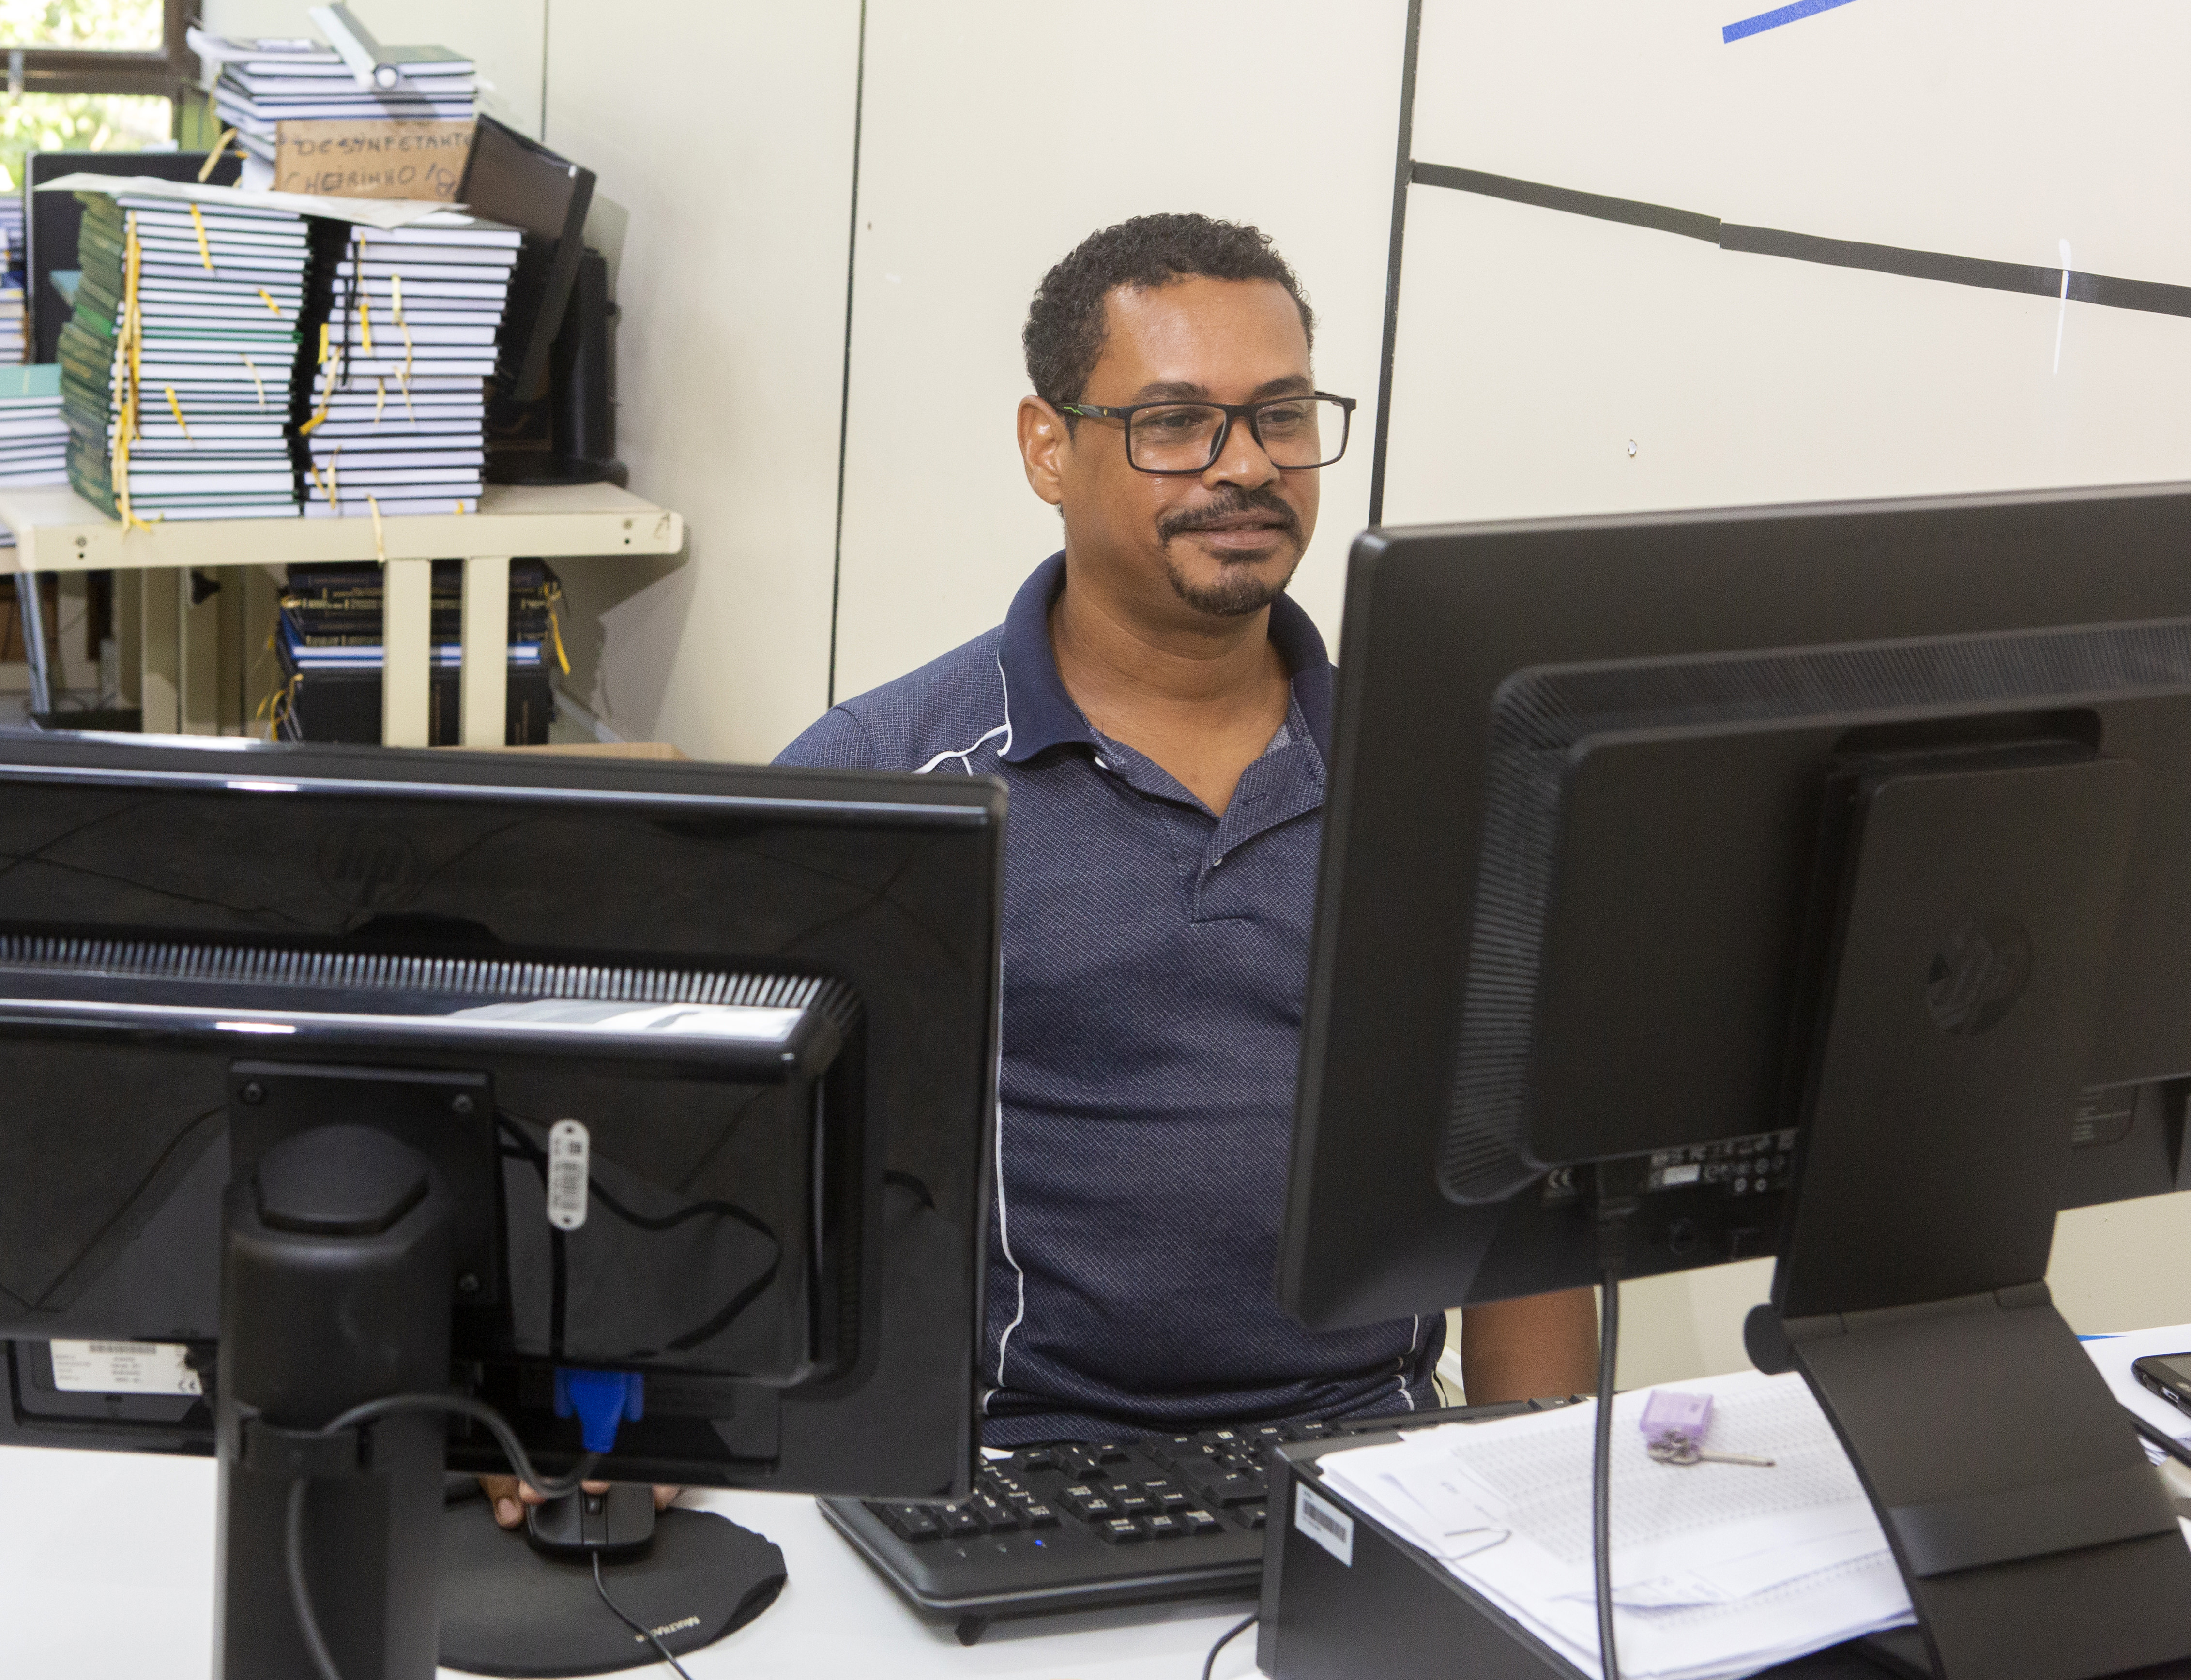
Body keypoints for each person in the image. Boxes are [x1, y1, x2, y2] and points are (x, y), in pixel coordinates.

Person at [486, 212, 1593, 1521]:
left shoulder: (1440, 781)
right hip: (1011, 1469)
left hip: (1368, 1466)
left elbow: (1516, 1208)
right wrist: (614, 1401)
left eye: (1283, 416)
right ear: (1048, 448)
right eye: (1177, 422)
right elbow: (668, 1141)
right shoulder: (895, 779)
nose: (1247, 466)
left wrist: (1540, 1508)